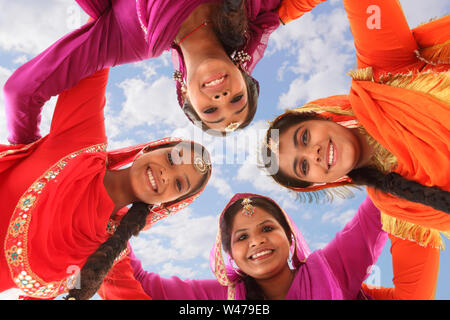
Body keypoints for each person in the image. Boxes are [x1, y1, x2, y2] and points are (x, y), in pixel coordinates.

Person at [0, 67, 212, 300]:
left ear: (169, 204)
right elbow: (96, 55)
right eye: (171, 159)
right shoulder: (82, 143)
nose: (166, 175)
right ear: (148, 149)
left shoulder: (108, 253)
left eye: (179, 184)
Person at [263, 0, 450, 249]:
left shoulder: (381, 75)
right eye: (303, 166)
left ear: (322, 116)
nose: (313, 153)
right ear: (321, 183)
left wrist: (271, 20)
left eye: (304, 138)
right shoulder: (394, 203)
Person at [3, 0, 308, 140]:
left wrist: (30, 158)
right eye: (236, 101)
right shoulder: (252, 8)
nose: (222, 98)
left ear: (185, 94)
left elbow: (22, 91)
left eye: (212, 112)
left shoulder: (129, 39)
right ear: (244, 74)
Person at [97, 193, 395, 300]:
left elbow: (375, 212)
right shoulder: (221, 297)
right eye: (241, 237)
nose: (256, 241)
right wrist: (109, 218)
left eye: (267, 228)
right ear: (231, 255)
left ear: (289, 237)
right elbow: (142, 286)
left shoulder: (329, 270)